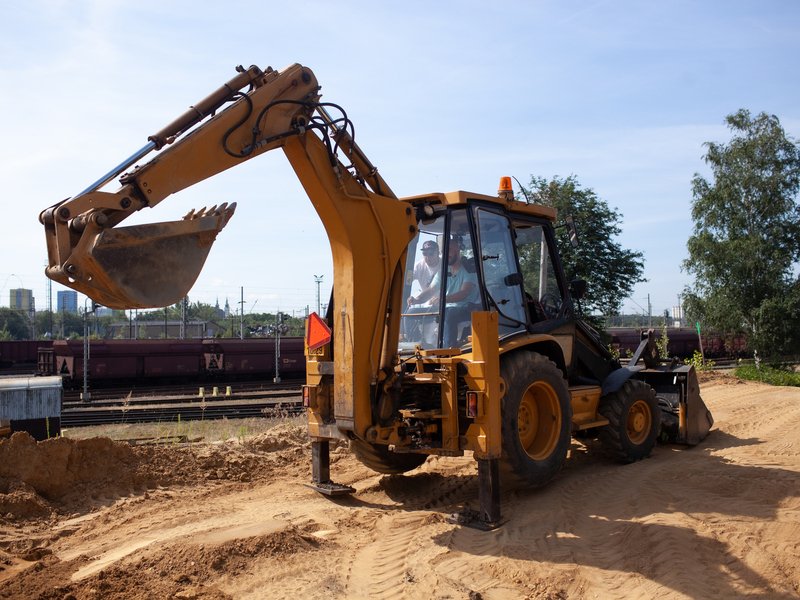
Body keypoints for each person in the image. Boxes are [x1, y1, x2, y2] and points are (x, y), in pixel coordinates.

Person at [409, 237, 478, 347]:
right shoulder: (443, 272)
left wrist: (443, 299)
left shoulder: (469, 270)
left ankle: (448, 350)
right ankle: (416, 347)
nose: (446, 254)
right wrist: (416, 300)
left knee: (448, 314)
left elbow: (464, 292)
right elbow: (431, 290)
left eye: (449, 250)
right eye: (444, 251)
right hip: (445, 308)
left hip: (466, 308)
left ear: (458, 251)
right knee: (411, 313)